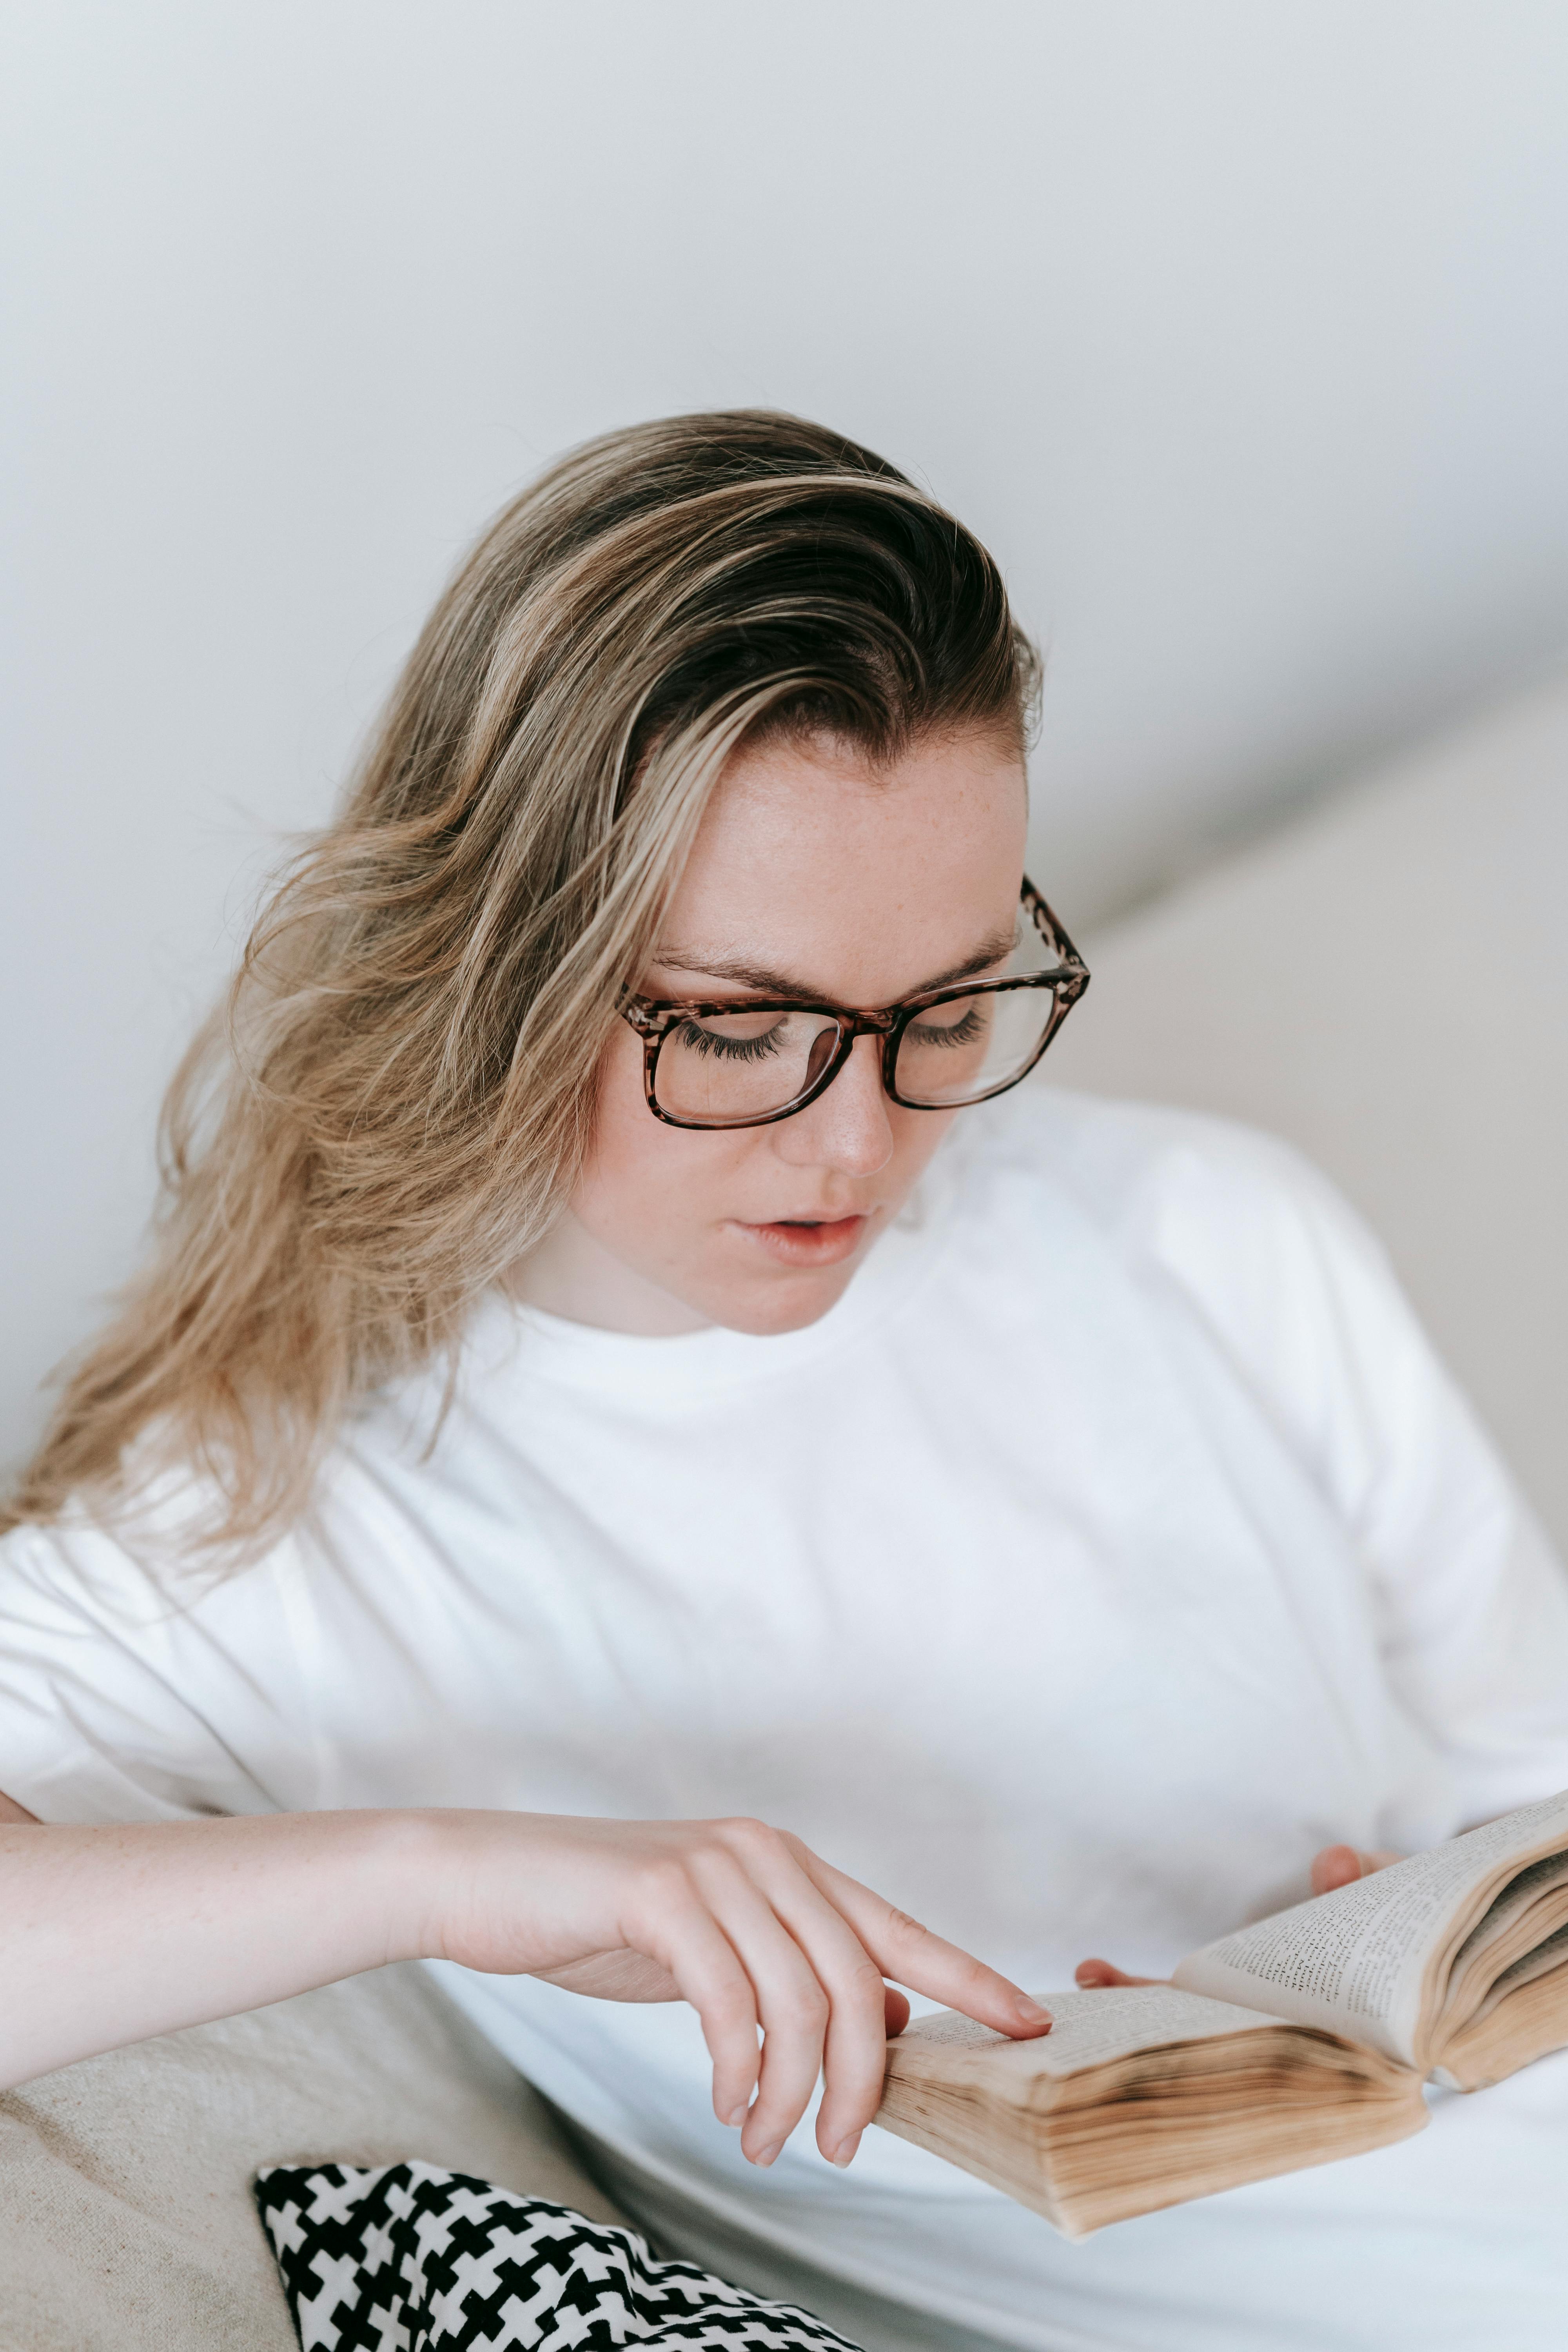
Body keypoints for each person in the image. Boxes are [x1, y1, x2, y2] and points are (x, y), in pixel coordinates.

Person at [2, 412, 1566, 2352]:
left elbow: (1532, 1771)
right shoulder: (276, 1533)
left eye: (946, 1008)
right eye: (744, 1031)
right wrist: (456, 1875)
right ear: (505, 969)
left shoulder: (1200, 1232)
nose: (856, 1146)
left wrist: (1424, 1921)